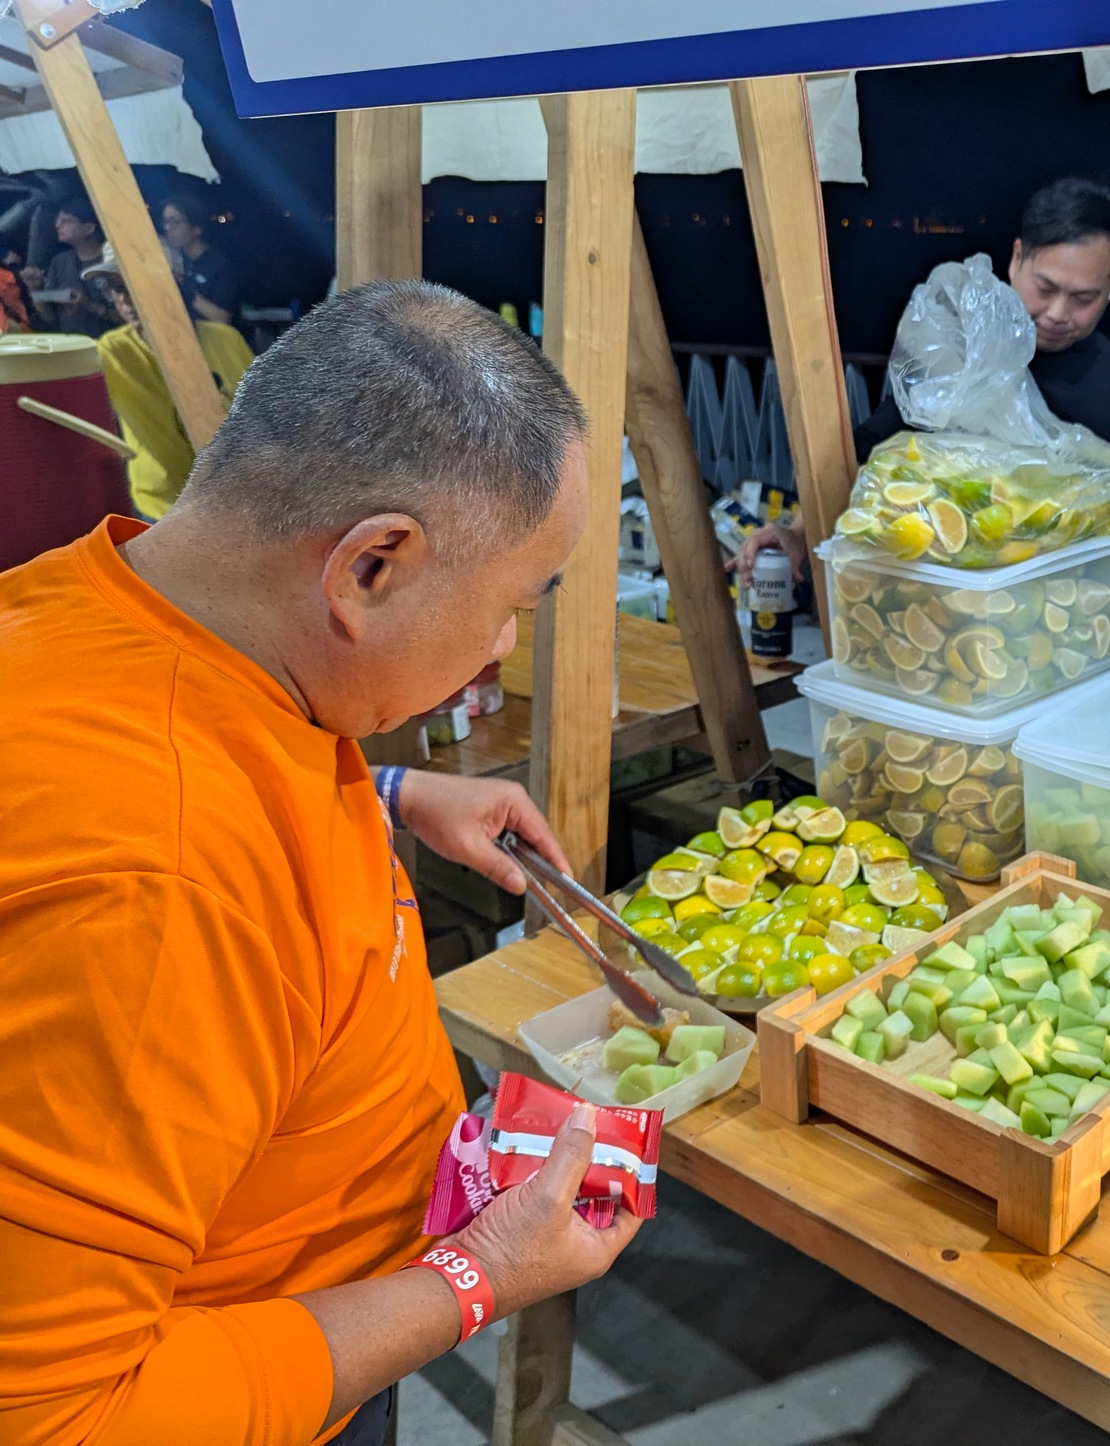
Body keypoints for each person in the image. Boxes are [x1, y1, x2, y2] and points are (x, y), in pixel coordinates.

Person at [0, 281, 641, 1444]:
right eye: (509, 607)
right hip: (276, 1370)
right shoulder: (157, 891)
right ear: (369, 568)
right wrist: (476, 1275)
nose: (501, 644)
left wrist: (388, 793)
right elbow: (62, 1419)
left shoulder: (95, 606)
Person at [739, 176, 1110, 581]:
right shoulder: (955, 342)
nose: (1057, 312)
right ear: (1017, 258)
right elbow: (871, 444)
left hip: (1040, 590)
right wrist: (796, 532)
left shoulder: (1107, 375)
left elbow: (1099, 495)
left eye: (1083, 298)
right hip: (927, 580)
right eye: (1045, 287)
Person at [90, 245, 255, 519]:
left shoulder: (225, 339)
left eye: (133, 284)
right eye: (115, 288)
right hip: (163, 511)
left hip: (236, 502)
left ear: (175, 284)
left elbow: (265, 412)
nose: (124, 299)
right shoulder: (113, 351)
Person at [18, 193, 116, 337]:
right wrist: (34, 289)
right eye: (58, 219)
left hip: (109, 343)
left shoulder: (111, 261)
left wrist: (88, 305)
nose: (57, 225)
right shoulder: (60, 261)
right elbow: (50, 319)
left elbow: (127, 316)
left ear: (89, 228)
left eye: (66, 221)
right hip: (71, 345)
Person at [162, 191, 241, 326]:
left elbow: (224, 318)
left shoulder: (219, 265)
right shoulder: (175, 259)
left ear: (197, 228)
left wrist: (187, 291)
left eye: (174, 222)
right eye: (165, 222)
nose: (168, 228)